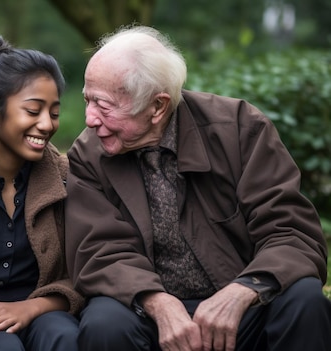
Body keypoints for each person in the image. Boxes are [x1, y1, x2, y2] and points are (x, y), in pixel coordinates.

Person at [65, 25, 331, 351]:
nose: (90, 118)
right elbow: (98, 251)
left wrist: (243, 291)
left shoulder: (239, 128)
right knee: (105, 321)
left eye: (104, 105)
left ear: (158, 106)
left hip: (244, 306)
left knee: (303, 297)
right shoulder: (88, 153)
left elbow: (292, 232)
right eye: (87, 100)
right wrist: (157, 302)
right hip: (148, 312)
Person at [0, 31, 83, 351]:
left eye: (54, 112)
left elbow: (81, 273)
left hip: (40, 311)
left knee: (65, 336)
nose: (47, 125)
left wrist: (29, 308)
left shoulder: (65, 176)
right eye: (33, 111)